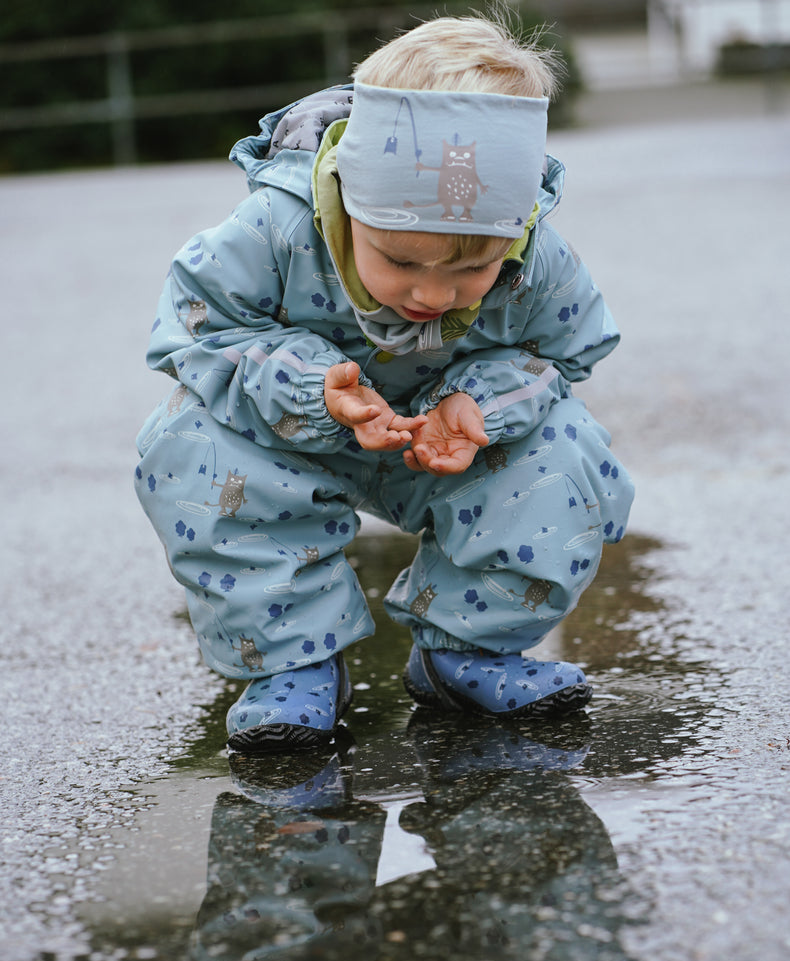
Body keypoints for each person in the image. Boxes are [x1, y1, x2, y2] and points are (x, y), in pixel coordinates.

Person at [134, 12, 634, 754]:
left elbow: (565, 356)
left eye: (471, 270)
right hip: (292, 439)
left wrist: (480, 403)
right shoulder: (276, 227)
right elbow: (199, 332)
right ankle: (292, 665)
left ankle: (470, 648)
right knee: (188, 446)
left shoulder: (536, 256)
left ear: (517, 226)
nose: (432, 295)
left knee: (567, 452)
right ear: (345, 199)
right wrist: (309, 387)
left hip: (451, 451)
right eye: (399, 261)